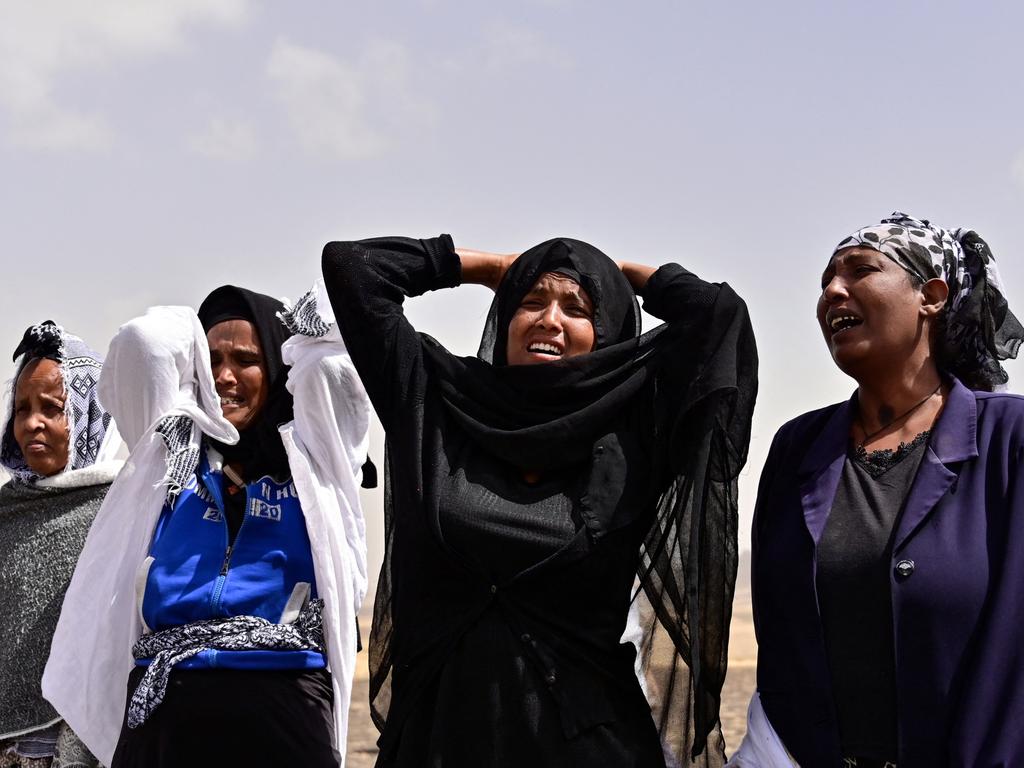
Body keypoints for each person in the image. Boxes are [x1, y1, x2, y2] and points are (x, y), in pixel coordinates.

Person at [322, 235, 757, 766]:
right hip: (437, 738)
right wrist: (495, 268)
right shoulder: (434, 403)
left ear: (608, 333)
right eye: (531, 301)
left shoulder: (639, 432)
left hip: (586, 743)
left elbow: (720, 316)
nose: (549, 319)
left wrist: (617, 273)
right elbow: (353, 268)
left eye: (578, 308)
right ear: (504, 316)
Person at [731, 213, 1024, 767]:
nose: (832, 292)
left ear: (931, 296)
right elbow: (782, 642)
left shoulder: (1009, 440)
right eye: (825, 281)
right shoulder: (799, 447)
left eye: (860, 270)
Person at [42, 285, 372, 767]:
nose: (224, 377)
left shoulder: (317, 460)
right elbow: (144, 342)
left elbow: (330, 364)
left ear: (278, 368)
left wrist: (301, 330)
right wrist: (191, 335)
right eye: (211, 359)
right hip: (166, 714)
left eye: (245, 359)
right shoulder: (168, 457)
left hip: (283, 710)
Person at [0, 321, 122, 768]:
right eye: (21, 408)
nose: (32, 422)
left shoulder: (121, 506)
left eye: (52, 408)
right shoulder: (5, 512)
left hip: (82, 739)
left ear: (90, 412)